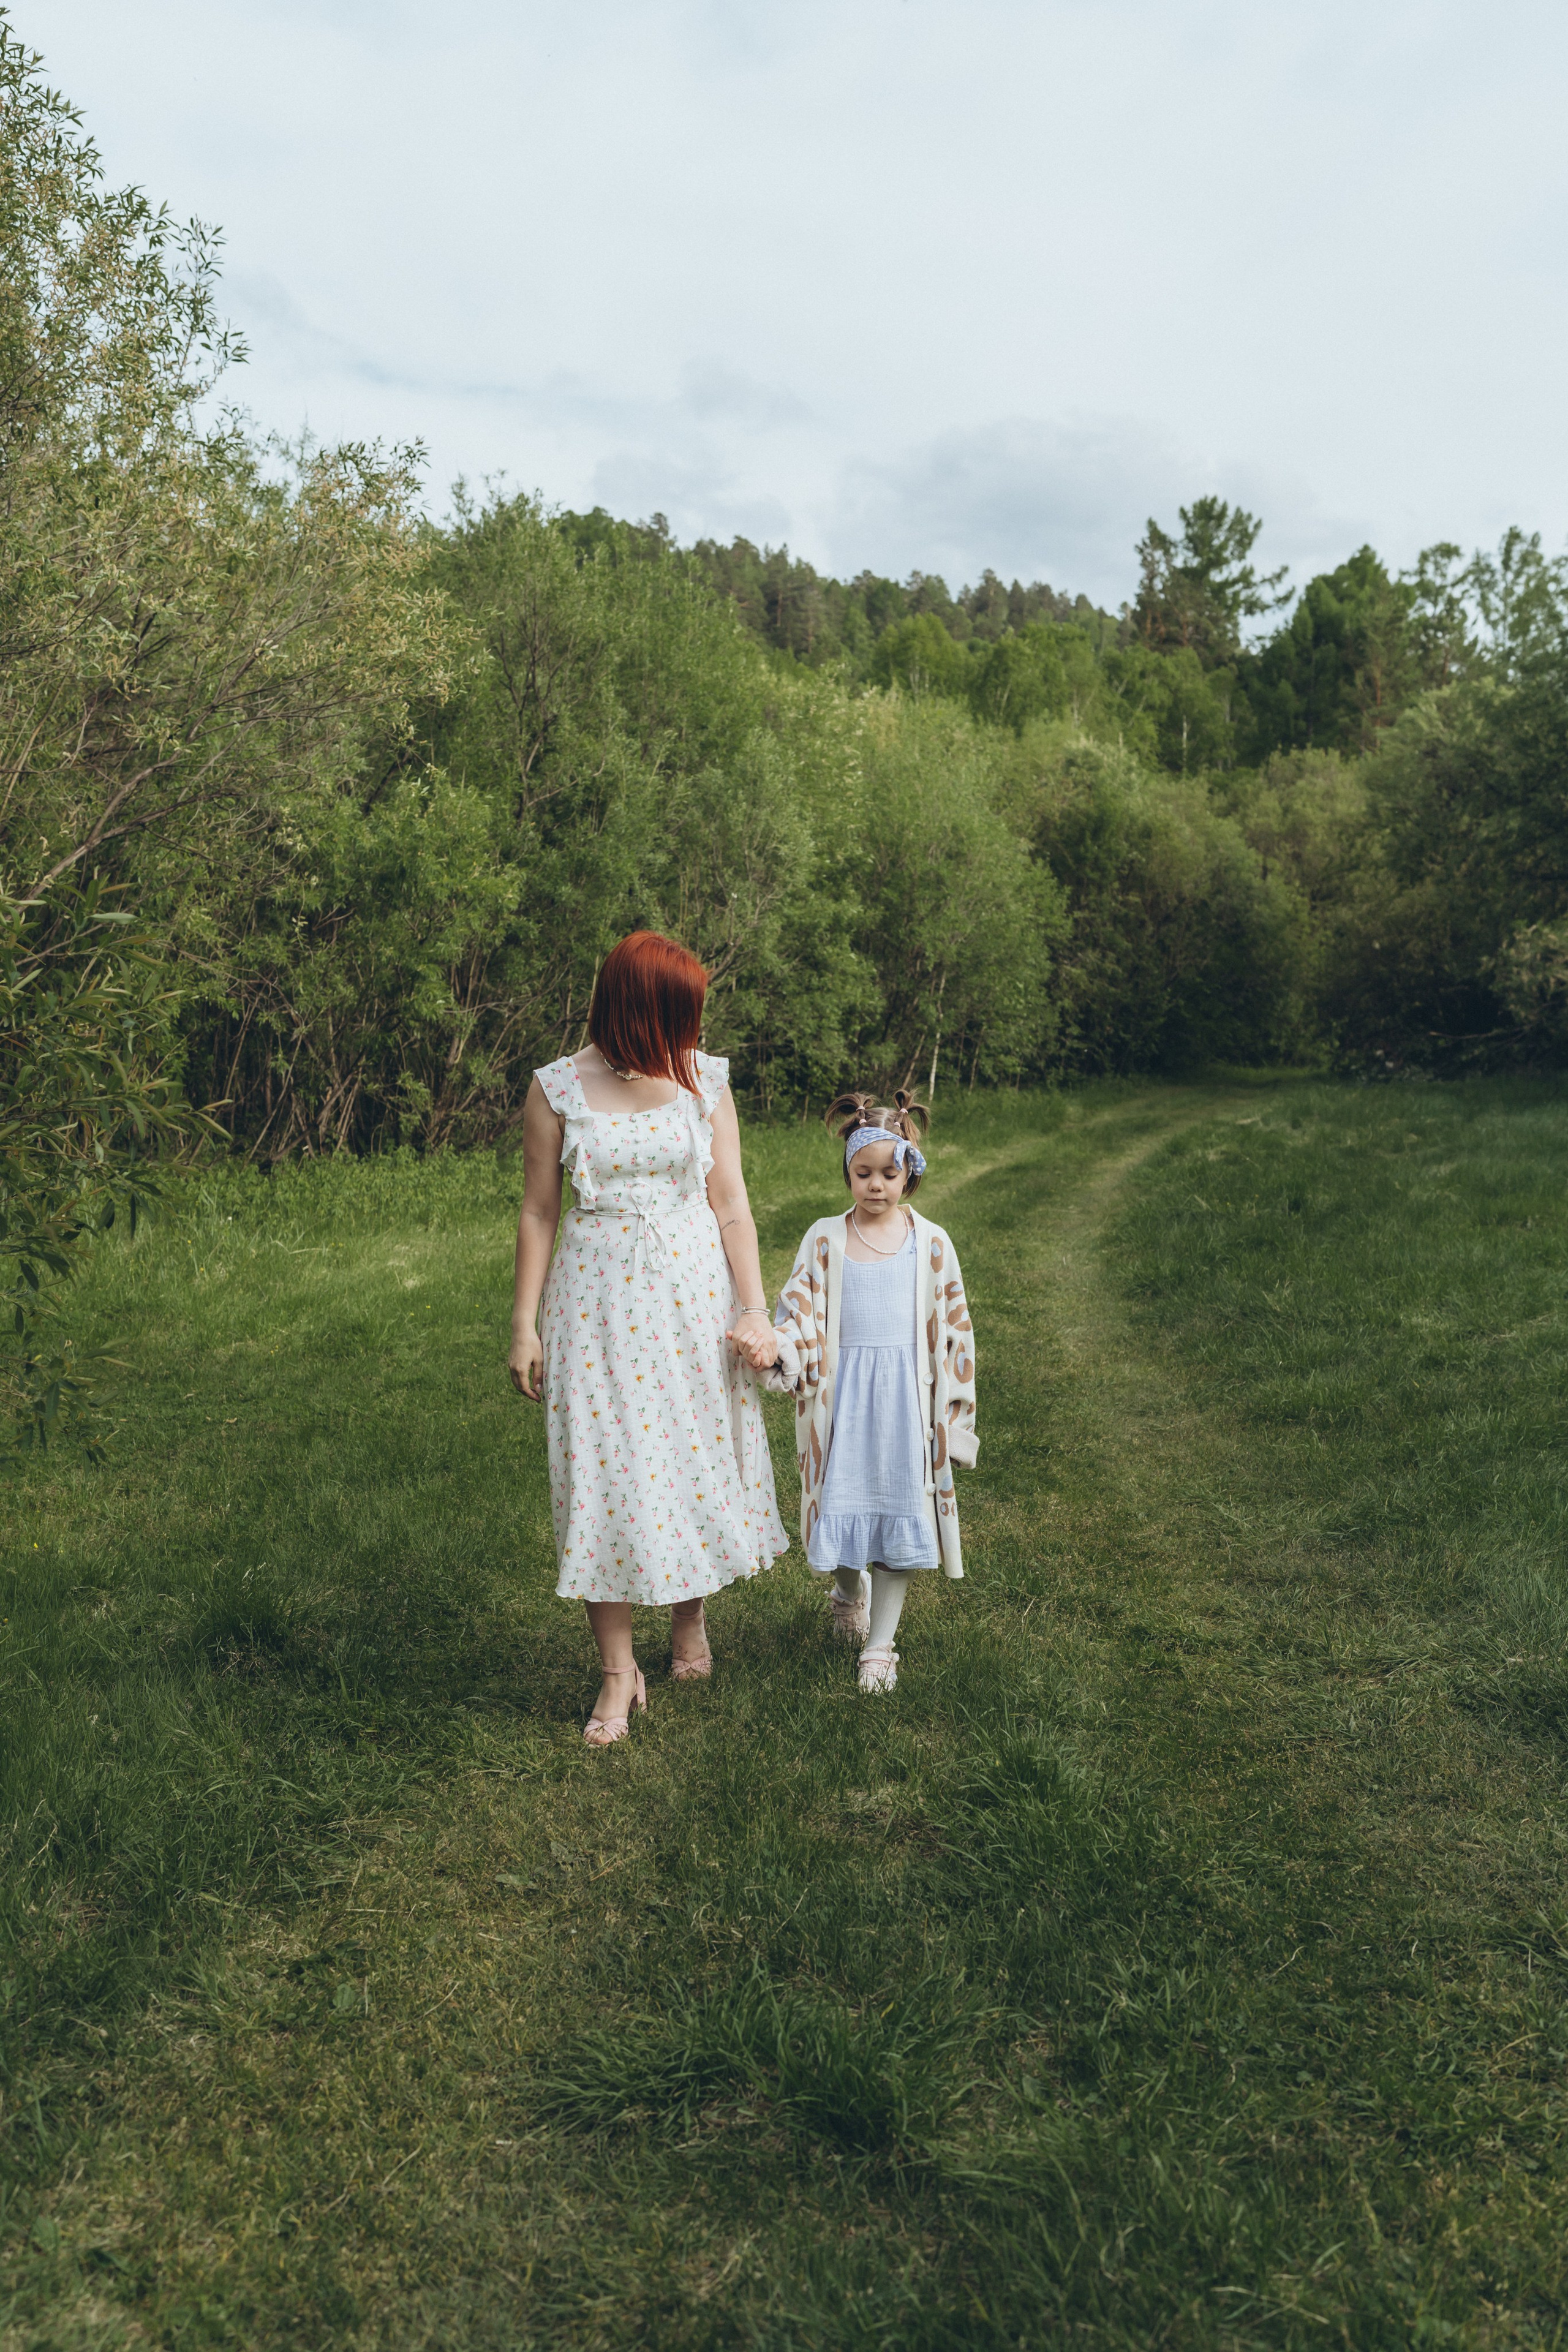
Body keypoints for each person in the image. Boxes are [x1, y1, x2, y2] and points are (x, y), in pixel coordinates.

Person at [508, 932, 788, 1743]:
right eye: (679, 1012)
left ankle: (688, 1617)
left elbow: (731, 1203)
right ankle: (616, 1671)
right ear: (638, 1009)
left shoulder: (704, 1080)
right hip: (594, 1304)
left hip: (692, 1300)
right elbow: (538, 1211)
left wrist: (754, 1308)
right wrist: (523, 1323)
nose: (691, 1029)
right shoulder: (556, 1089)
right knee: (602, 1468)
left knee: (687, 1456)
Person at [737, 1090, 978, 1694]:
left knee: (899, 1511)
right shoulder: (825, 1239)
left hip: (908, 1407)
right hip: (841, 1403)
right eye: (863, 1172)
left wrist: (954, 1423)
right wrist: (780, 1348)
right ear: (848, 1172)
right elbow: (797, 1313)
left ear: (909, 1174)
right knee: (840, 1509)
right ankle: (849, 1592)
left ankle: (880, 1646)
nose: (875, 1185)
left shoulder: (932, 1244)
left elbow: (956, 1335)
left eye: (888, 1174)